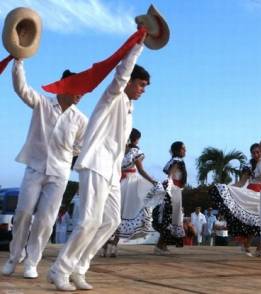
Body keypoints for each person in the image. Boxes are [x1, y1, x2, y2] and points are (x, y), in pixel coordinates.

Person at [48, 31, 149, 291]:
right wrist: (138, 44)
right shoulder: (113, 96)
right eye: (141, 84)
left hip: (112, 170)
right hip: (95, 163)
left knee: (111, 221)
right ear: (129, 82)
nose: (142, 90)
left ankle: (79, 268)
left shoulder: (129, 107)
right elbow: (121, 73)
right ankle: (60, 269)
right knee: (89, 221)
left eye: (145, 87)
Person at [2, 61, 87, 279]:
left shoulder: (80, 119)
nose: (81, 94)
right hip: (35, 168)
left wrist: (68, 157)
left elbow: (81, 145)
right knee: (23, 214)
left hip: (59, 174)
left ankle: (32, 262)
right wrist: (18, 61)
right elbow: (21, 88)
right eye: (77, 88)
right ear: (64, 86)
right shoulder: (42, 104)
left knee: (46, 219)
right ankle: (14, 257)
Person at [103, 128, 159, 257]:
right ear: (137, 139)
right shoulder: (135, 152)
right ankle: (113, 245)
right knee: (128, 213)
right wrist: (153, 180)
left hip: (117, 182)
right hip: (131, 184)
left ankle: (106, 243)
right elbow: (141, 170)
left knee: (116, 214)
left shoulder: (120, 150)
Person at [209, 143, 261, 257]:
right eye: (254, 152)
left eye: (258, 152)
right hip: (252, 195)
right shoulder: (249, 165)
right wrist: (228, 188)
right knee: (253, 223)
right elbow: (242, 182)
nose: (256, 154)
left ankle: (259, 248)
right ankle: (247, 246)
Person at [152, 141, 187, 254]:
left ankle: (162, 245)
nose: (185, 151)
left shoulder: (173, 160)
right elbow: (171, 175)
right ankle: (160, 246)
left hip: (174, 189)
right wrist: (169, 188)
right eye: (183, 149)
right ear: (177, 150)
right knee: (170, 218)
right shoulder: (177, 161)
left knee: (170, 218)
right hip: (173, 190)